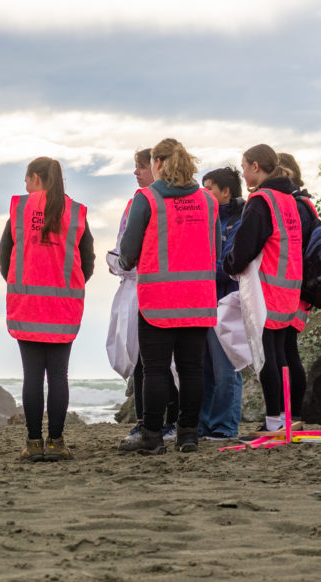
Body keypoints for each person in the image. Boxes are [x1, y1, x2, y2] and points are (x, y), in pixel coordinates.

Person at [117, 138, 219, 454]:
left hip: (158, 301)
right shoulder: (208, 201)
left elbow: (129, 252)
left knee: (156, 370)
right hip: (198, 299)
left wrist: (123, 262)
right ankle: (188, 434)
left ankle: (151, 436)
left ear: (158, 163)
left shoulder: (147, 199)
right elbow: (213, 247)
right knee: (191, 369)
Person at [0, 157, 95, 462]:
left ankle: (32, 442)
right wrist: (69, 287)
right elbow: (87, 260)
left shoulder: (21, 209)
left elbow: (4, 255)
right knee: (58, 376)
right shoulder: (76, 212)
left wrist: (19, 281)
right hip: (63, 307)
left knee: (31, 377)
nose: (25, 187)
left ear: (37, 178)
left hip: (26, 303)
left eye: (27, 180)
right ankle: (56, 441)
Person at [223, 144, 303, 434]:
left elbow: (245, 245)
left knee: (266, 355)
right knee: (282, 355)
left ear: (256, 166)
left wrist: (229, 264)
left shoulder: (261, 201)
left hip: (265, 287)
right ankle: (285, 417)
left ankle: (273, 420)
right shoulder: (289, 199)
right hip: (289, 288)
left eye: (244, 167)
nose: (243, 173)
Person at [111, 149, 181, 448]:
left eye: (141, 167)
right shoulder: (134, 204)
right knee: (144, 360)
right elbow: (123, 245)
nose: (137, 173)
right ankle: (146, 423)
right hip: (142, 287)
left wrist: (123, 262)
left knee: (168, 363)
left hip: (161, 289)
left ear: (158, 167)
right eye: (135, 167)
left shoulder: (170, 202)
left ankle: (172, 423)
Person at [198, 167, 246, 440]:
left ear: (225, 192)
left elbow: (229, 263)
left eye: (209, 189)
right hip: (204, 301)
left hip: (228, 303)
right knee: (203, 367)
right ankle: (203, 424)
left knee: (226, 367)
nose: (204, 194)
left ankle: (225, 426)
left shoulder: (240, 220)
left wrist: (198, 267)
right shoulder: (205, 218)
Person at [276, 152, 320, 425]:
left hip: (293, 287)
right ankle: (290, 414)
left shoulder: (296, 205)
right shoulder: (306, 203)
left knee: (286, 349)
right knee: (287, 349)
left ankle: (290, 414)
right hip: (302, 287)